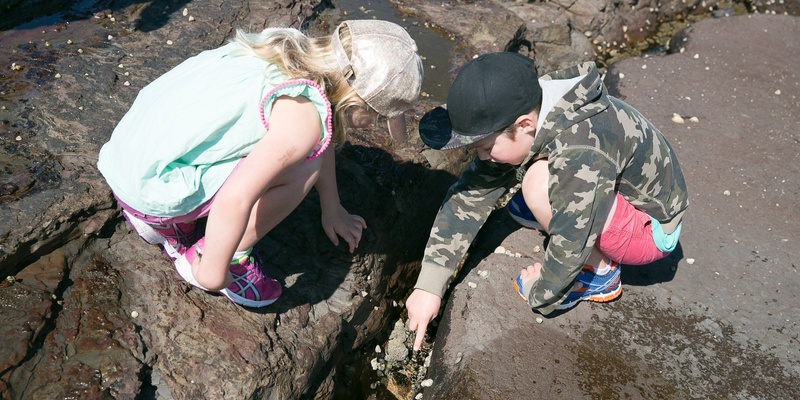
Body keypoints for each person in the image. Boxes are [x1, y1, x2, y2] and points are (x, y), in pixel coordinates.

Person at [97, 20, 424, 308]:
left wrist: (332, 208)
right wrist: (213, 270)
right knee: (304, 168)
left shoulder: (281, 43)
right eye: (376, 117)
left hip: (130, 160)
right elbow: (237, 197)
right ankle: (224, 255)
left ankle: (166, 222)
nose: (370, 124)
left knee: (297, 151)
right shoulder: (303, 121)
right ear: (357, 103)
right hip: (155, 194)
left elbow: (320, 128)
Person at [406, 52, 688, 350]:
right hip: (608, 191)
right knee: (536, 181)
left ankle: (599, 274)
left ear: (525, 124)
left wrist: (544, 293)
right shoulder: (538, 103)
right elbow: (471, 194)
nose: (481, 156)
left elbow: (572, 235)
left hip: (650, 230)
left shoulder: (581, 150)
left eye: (486, 147)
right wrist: (430, 285)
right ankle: (547, 202)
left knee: (537, 184)